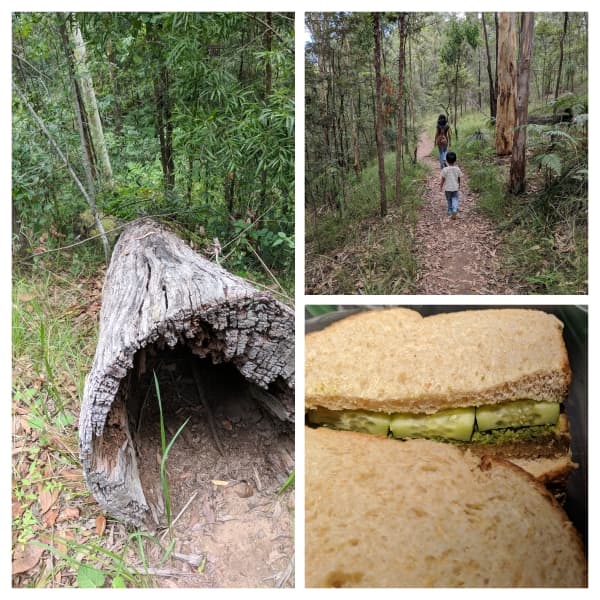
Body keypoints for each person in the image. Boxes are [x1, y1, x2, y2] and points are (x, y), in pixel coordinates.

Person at [439, 151, 462, 219]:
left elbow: (443, 179)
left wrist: (441, 187)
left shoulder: (445, 169)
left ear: (446, 160)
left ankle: (450, 210)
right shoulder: (457, 169)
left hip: (447, 188)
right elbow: (459, 178)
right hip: (455, 187)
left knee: (449, 199)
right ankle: (455, 209)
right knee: (455, 198)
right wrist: (459, 185)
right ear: (455, 160)